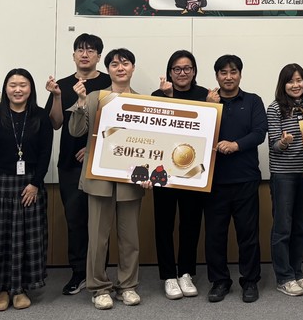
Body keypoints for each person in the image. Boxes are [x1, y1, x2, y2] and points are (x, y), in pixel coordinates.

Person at [68, 48, 151, 310]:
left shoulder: (144, 101)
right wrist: (80, 103)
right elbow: (76, 131)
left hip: (131, 179)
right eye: (114, 64)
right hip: (100, 178)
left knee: (130, 238)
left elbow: (151, 144)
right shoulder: (95, 97)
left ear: (133, 68)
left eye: (125, 63)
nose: (120, 68)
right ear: (108, 70)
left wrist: (150, 173)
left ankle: (127, 285)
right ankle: (99, 288)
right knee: (97, 238)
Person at [0, 69, 52, 311]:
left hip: (29, 183)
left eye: (23, 85)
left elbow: (45, 153)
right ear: (6, 88)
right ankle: (0, 289)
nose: (17, 89)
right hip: (0, 181)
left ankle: (20, 289)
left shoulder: (40, 115)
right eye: (12, 85)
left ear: (31, 88)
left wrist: (35, 183)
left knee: (26, 239)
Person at [44, 33, 111, 296]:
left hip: (101, 162)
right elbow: (55, 123)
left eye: (91, 50)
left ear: (99, 56)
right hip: (69, 163)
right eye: (80, 50)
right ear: (73, 55)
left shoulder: (108, 83)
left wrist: (93, 148)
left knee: (100, 221)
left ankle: (99, 274)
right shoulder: (61, 85)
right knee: (75, 219)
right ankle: (79, 273)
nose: (85, 54)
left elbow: (118, 123)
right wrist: (57, 97)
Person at [150, 50, 217, 300]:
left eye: (187, 68)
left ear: (194, 71)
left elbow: (210, 130)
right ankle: (169, 275)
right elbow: (157, 133)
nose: (182, 73)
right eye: (177, 69)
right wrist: (168, 98)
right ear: (169, 72)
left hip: (193, 171)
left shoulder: (205, 96)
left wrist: (211, 106)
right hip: (164, 172)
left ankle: (186, 272)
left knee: (190, 223)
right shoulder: (158, 96)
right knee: (164, 224)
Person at [204, 54, 267, 304]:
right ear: (216, 76)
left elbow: (259, 132)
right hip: (213, 180)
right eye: (223, 72)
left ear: (240, 74)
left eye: (233, 72)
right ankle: (219, 281)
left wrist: (236, 145)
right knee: (215, 235)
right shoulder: (208, 102)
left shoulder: (253, 101)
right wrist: (210, 107)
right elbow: (198, 133)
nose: (228, 77)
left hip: (245, 179)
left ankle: (250, 281)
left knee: (248, 234)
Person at [267, 63, 303, 297]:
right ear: (283, 84)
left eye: (299, 80)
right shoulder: (275, 108)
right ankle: (284, 277)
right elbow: (273, 146)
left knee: (300, 227)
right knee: (282, 227)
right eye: (290, 81)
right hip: (283, 175)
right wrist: (284, 142)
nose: (295, 85)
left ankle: (297, 271)